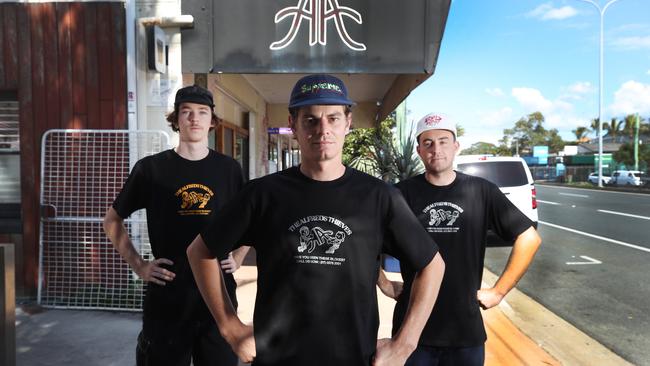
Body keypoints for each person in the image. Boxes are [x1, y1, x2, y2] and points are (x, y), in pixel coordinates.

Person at [186, 74, 446, 366]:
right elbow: (200, 251)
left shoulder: (379, 197)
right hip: (277, 359)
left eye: (333, 118)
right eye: (310, 120)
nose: (323, 129)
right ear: (294, 125)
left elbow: (432, 264)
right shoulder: (262, 194)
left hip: (355, 358)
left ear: (348, 123)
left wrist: (405, 343)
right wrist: (229, 327)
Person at [378, 112, 542, 366]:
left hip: (464, 332)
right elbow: (365, 242)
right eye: (428, 143)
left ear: (456, 146)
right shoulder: (400, 195)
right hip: (412, 333)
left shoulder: (481, 191)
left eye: (443, 141)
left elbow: (529, 238)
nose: (436, 149)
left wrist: (499, 291)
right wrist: (384, 283)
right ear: (419, 150)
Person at [103, 85, 249, 366]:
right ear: (176, 120)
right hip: (168, 296)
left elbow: (253, 220)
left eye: (202, 112)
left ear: (211, 122)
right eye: (187, 112)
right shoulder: (151, 169)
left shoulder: (229, 169)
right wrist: (139, 265)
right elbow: (112, 221)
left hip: (218, 299)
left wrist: (240, 254)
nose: (194, 118)